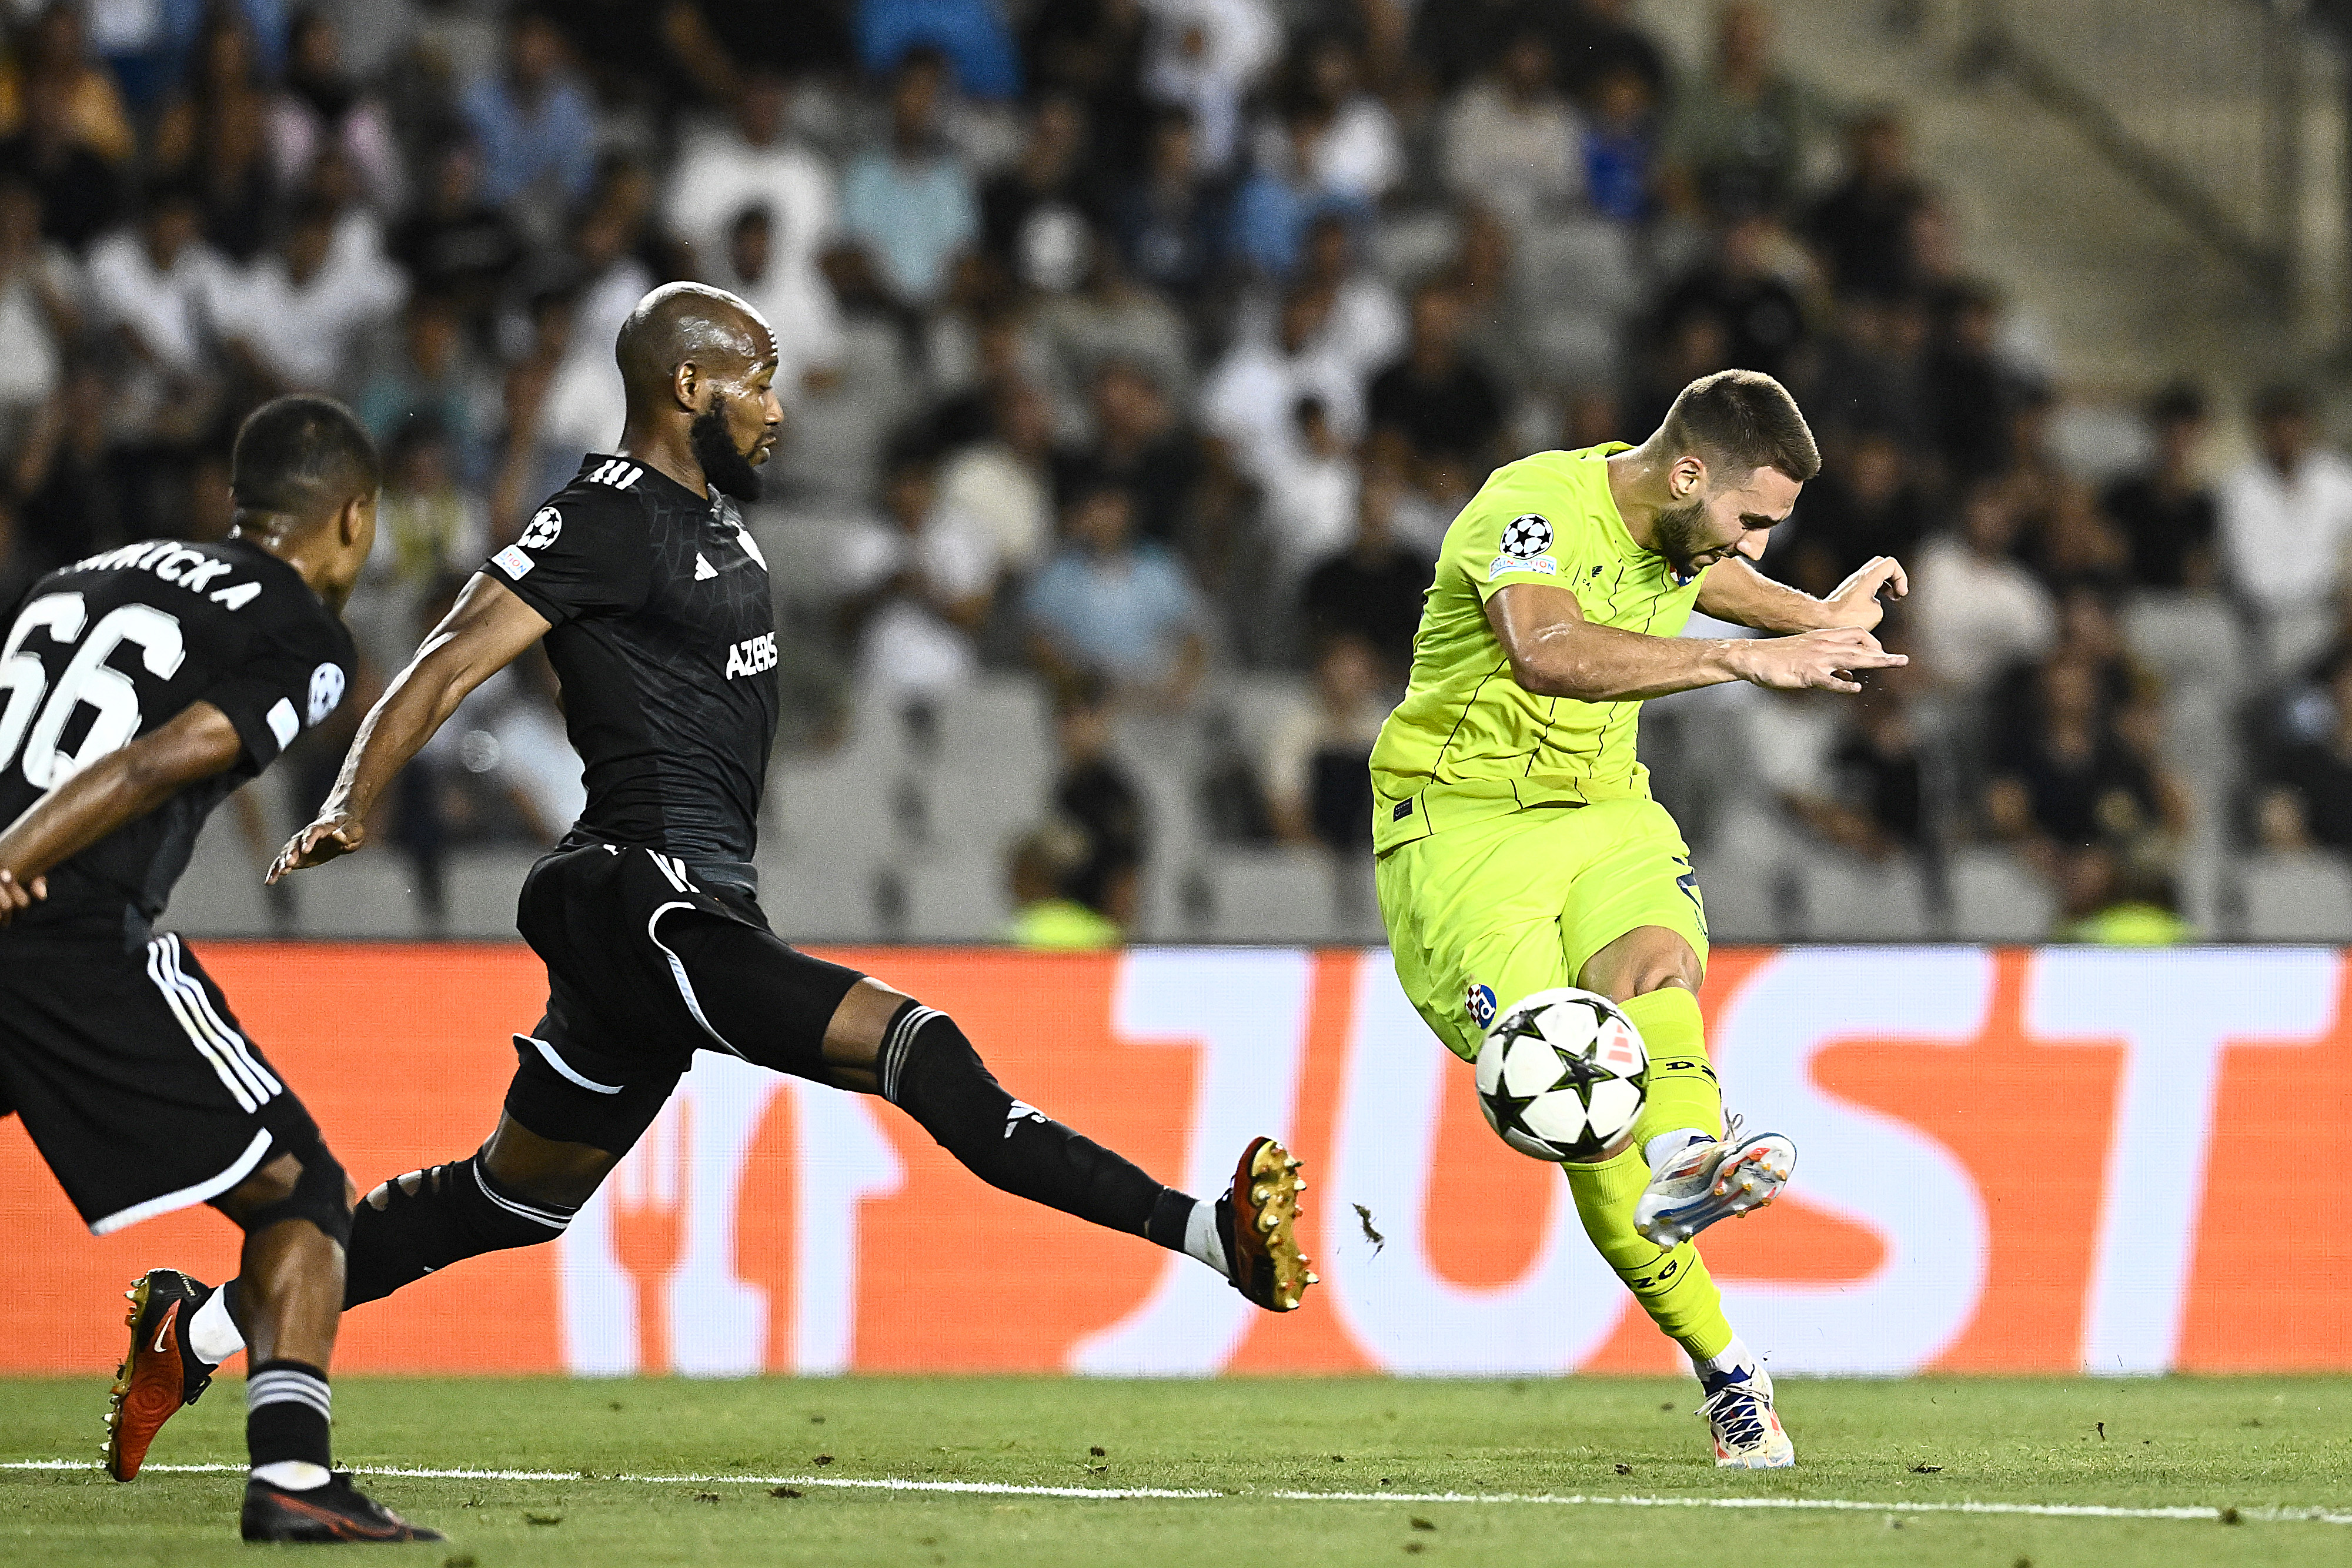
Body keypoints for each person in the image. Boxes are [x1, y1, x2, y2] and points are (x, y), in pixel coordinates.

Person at [120, 285, 1311, 1441]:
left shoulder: (720, 523)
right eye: (760, 382)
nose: (779, 410)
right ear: (690, 384)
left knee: (509, 1199)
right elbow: (449, 654)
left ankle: (198, 1327)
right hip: (645, 897)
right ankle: (1206, 1234)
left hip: (688, 906)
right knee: (920, 1047)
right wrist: (351, 795)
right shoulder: (604, 516)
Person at [1369, 369, 1909, 1468]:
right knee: (1575, 1090)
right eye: (1751, 519)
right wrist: (1743, 659)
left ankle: (1691, 1156)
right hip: (1462, 827)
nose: (1756, 545)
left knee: (1659, 966)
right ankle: (1729, 1367)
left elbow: (1712, 579)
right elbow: (1546, 651)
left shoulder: (1681, 533)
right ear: (1689, 474)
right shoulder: (1530, 509)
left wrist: (1815, 615)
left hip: (1604, 807)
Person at [0, 396, 437, 1541]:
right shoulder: (300, 629)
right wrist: (14, 858)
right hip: (70, 931)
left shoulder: (74, 578)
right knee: (304, 1193)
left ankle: (191, 1345)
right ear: (355, 517)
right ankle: (292, 1473)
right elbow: (160, 759)